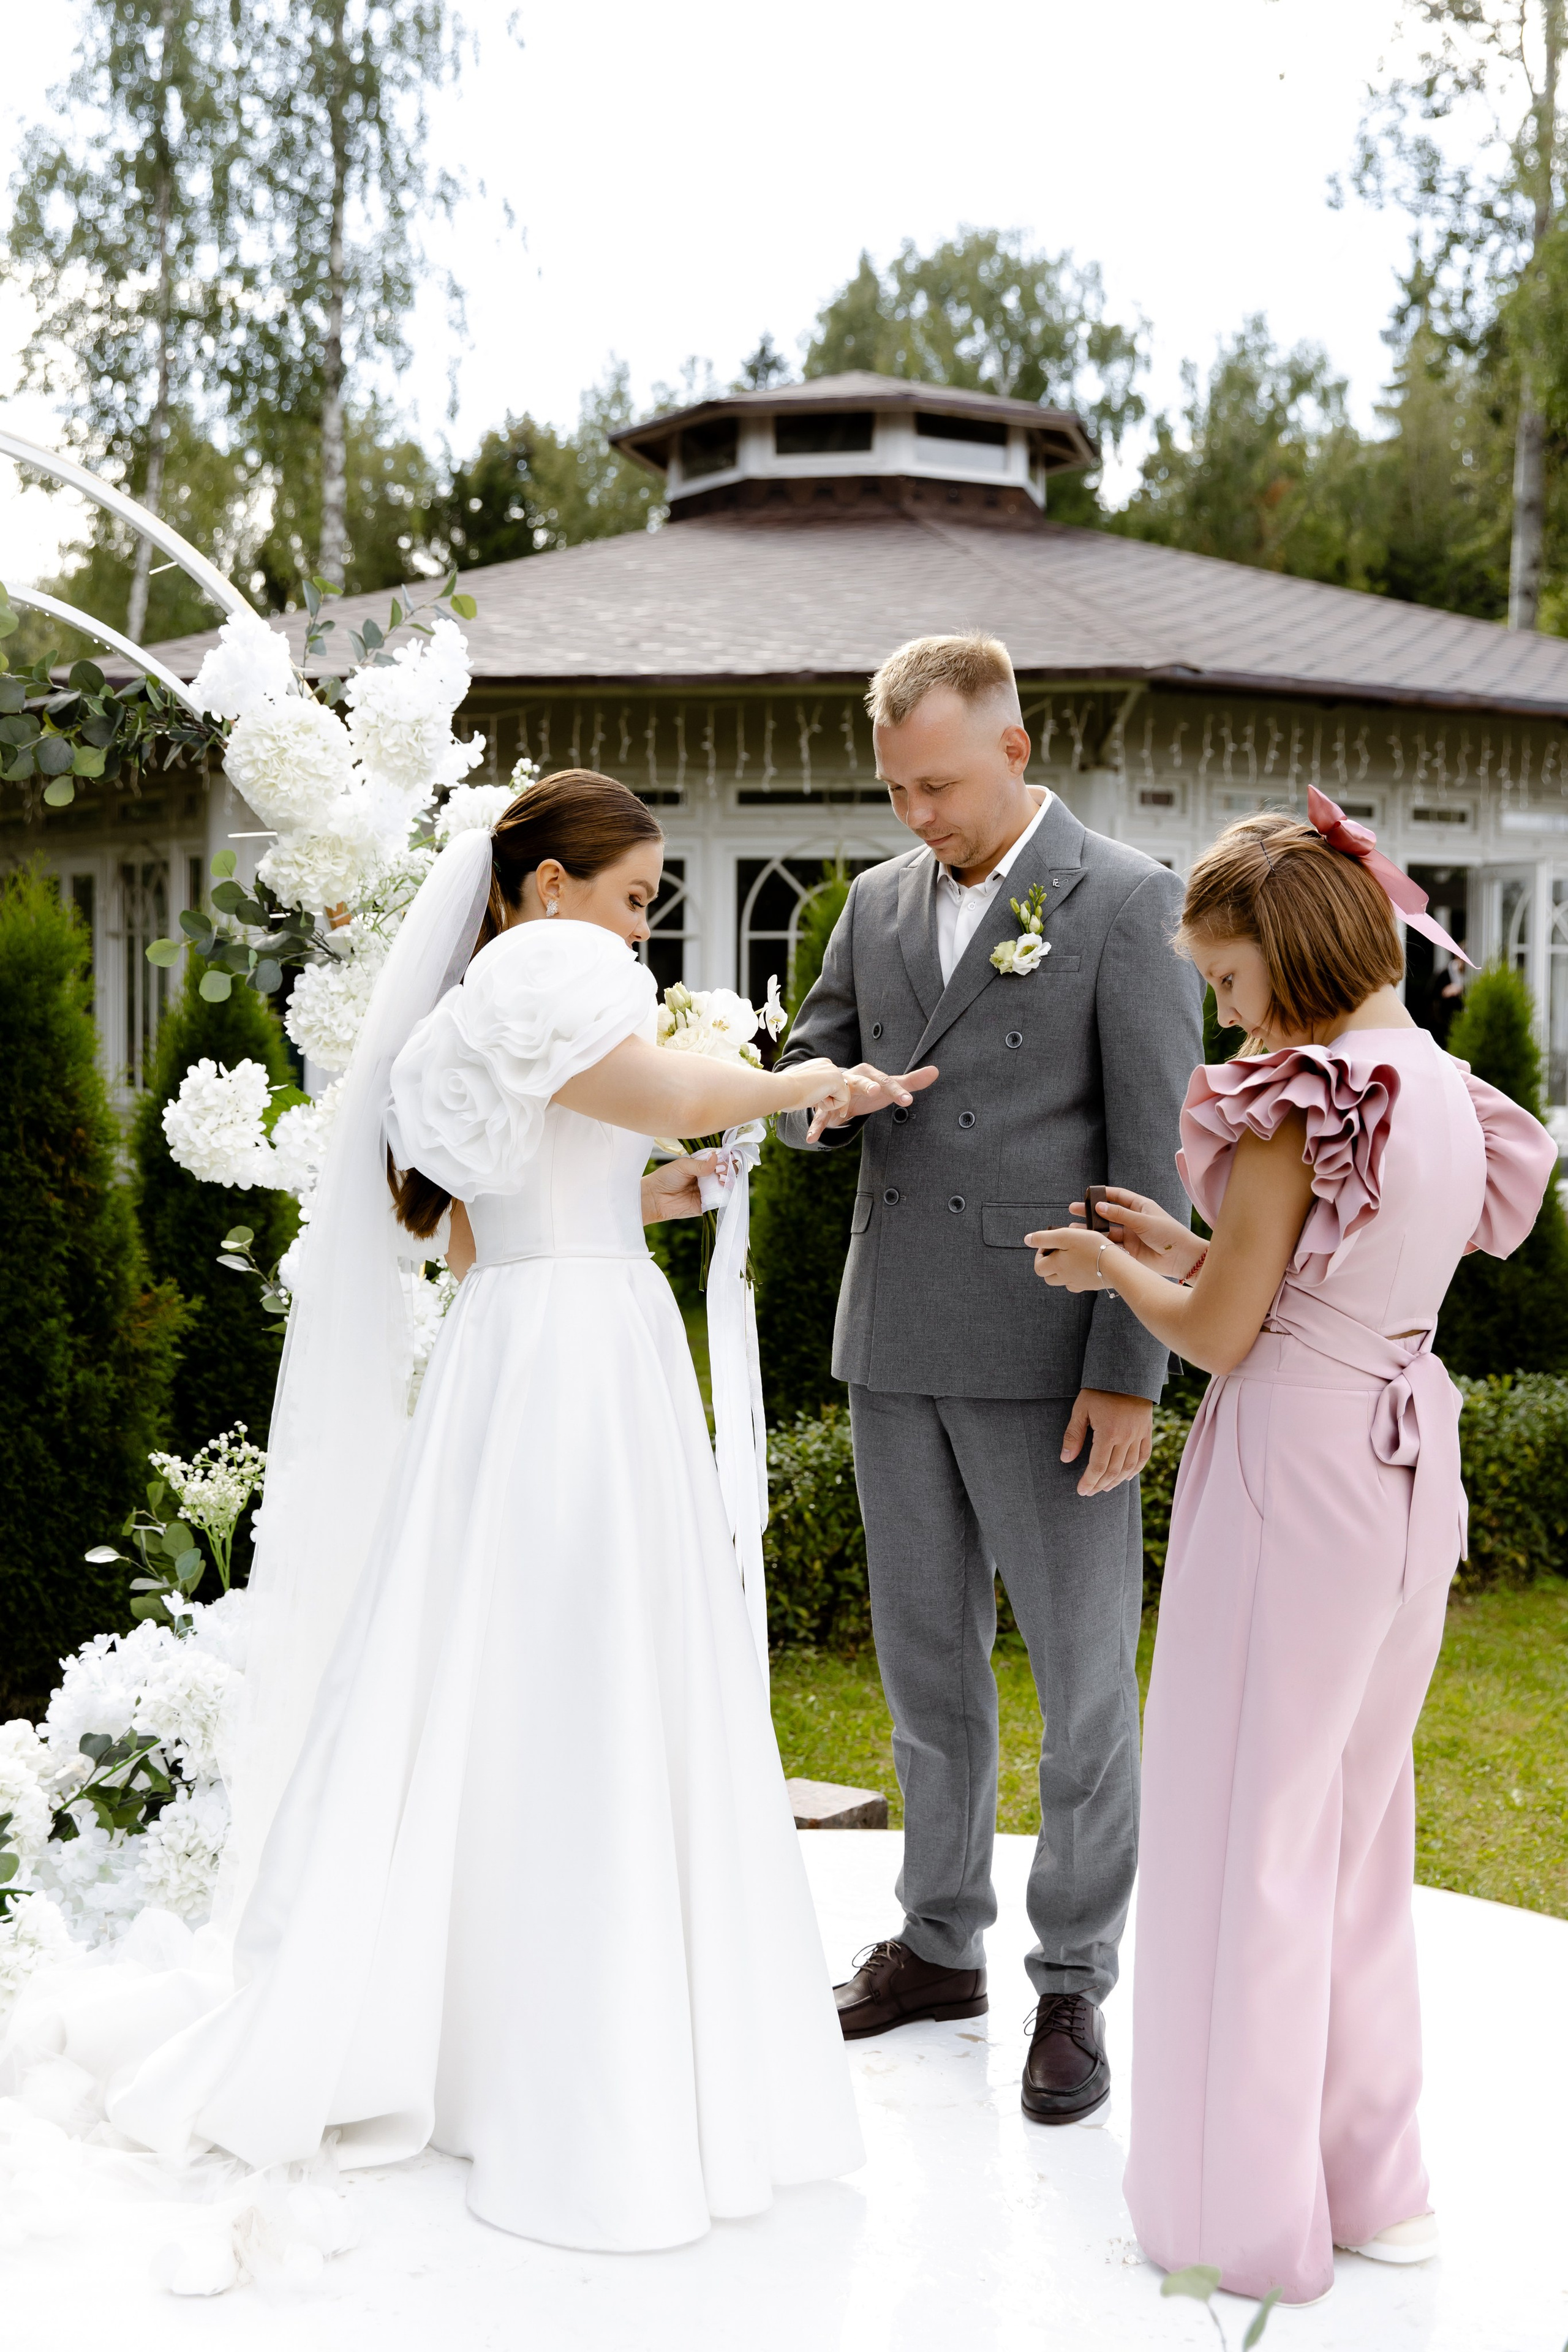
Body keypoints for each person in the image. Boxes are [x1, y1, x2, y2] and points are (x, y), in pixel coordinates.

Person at [101, 771, 867, 2252]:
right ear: (545, 884)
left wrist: (650, 1200)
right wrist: (795, 1084)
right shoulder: (550, 966)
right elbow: (654, 1093)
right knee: (591, 1673)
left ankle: (451, 2031)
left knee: (500, 1668)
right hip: (578, 1361)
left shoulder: (470, 1006)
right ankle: (579, 2060)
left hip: (518, 1339)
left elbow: (475, 1220)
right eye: (636, 897)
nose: (641, 933)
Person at [1027, 790, 1555, 2304]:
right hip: (1401, 1475)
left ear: (1284, 943)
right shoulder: (1442, 1090)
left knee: (1243, 1833)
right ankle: (1375, 2189)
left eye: (1225, 975)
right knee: (1350, 1827)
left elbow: (1220, 1336)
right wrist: (1181, 1248)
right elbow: (1336, 1284)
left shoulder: (1293, 1100)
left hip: (1292, 1476)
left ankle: (1230, 2218)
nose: (1222, 1006)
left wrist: (1114, 1268)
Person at [774, 633, 1202, 2122]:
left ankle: (1071, 1980)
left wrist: (1129, 1370)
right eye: (895, 789)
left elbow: (1152, 1162)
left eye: (938, 786)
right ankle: (938, 1942)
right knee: (926, 1671)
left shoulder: (1132, 901)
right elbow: (798, 1083)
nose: (916, 819)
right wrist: (822, 1105)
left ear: (1016, 751)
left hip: (1048, 1355)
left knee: (1085, 1687)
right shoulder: (872, 901)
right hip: (891, 1339)